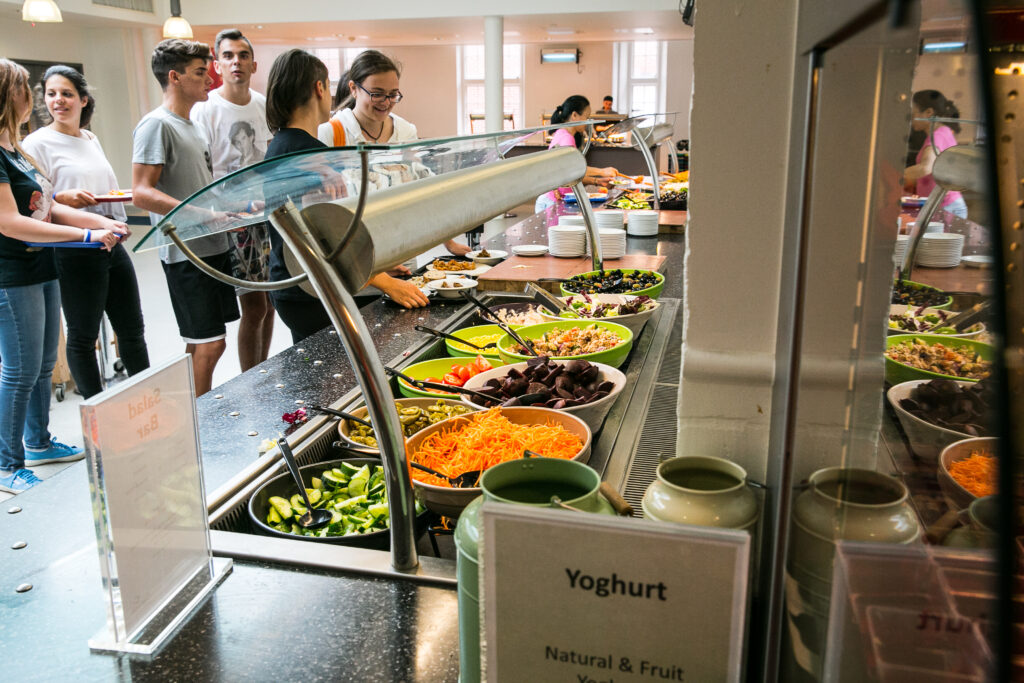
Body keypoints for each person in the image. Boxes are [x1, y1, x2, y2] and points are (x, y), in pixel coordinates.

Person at [0, 59, 127, 493]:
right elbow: (11, 222)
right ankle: (5, 464)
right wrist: (83, 234)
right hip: (11, 273)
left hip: (42, 265)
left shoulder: (17, 149)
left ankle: (37, 442)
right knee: (17, 371)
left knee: (39, 368)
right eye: (27, 91)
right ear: (10, 96)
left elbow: (48, 204)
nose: (36, 100)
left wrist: (100, 224)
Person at [264, 50, 428, 344]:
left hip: (294, 286)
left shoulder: (284, 144)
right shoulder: (312, 155)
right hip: (311, 291)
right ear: (319, 88)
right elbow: (325, 242)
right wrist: (384, 281)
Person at [22, 66, 150, 400]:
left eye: (66, 93)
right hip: (74, 247)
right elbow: (37, 202)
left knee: (132, 330)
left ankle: (149, 402)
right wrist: (64, 198)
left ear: (83, 99)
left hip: (111, 242)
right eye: (51, 94)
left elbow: (102, 187)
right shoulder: (36, 143)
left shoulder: (89, 137)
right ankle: (96, 413)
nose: (58, 101)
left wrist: (118, 221)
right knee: (82, 336)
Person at [133, 39, 239, 397]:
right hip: (186, 252)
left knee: (206, 343)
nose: (210, 78)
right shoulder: (155, 125)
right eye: (200, 72)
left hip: (210, 246)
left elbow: (196, 184)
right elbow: (142, 192)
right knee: (208, 345)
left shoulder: (190, 124)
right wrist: (204, 216)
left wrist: (227, 208)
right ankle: (199, 423)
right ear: (174, 77)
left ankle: (191, 416)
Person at [316, 49, 470, 258]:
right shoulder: (331, 133)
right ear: (354, 88)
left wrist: (449, 241)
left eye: (393, 95)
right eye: (377, 93)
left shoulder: (405, 131)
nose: (386, 102)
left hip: (400, 248)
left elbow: (422, 189)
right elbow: (323, 209)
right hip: (353, 255)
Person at [191, 28, 275, 372]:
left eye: (242, 55)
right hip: (230, 221)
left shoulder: (263, 106)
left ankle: (263, 369)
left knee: (269, 303)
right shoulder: (206, 110)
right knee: (253, 305)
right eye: (228, 56)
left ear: (253, 64)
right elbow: (202, 170)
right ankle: (251, 379)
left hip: (266, 216)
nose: (235, 62)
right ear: (217, 65)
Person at [536, 95, 618, 212]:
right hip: (553, 201)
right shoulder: (566, 138)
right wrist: (602, 171)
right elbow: (573, 169)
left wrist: (598, 181)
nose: (587, 122)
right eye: (586, 117)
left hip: (555, 199)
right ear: (574, 115)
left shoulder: (562, 133)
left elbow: (569, 175)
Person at [904, 90, 968, 219]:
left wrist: (899, 176)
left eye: (913, 113)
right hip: (946, 205)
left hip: (947, 206)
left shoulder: (937, 136)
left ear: (929, 113)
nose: (911, 118)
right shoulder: (943, 132)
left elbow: (925, 168)